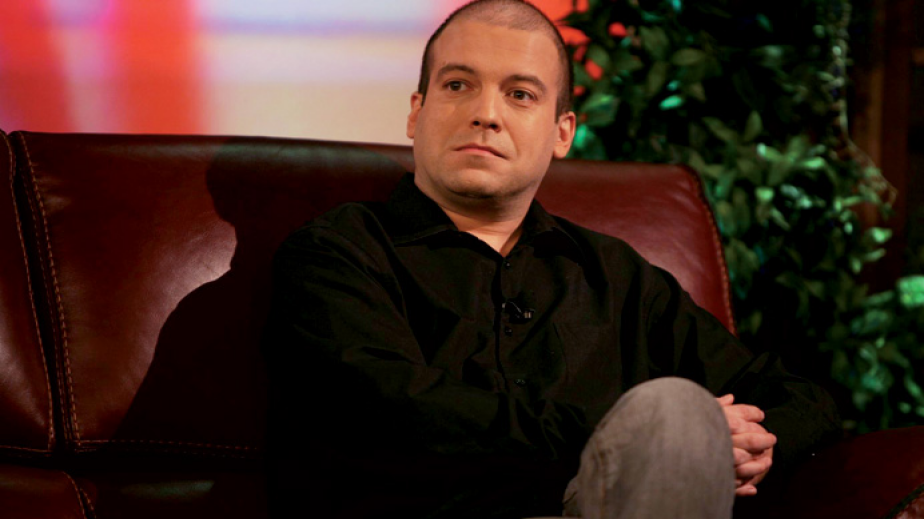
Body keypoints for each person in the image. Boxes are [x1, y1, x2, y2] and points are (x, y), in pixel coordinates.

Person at [263, 1, 841, 517]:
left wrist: (751, 448)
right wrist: (617, 433)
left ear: (562, 132)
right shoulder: (338, 251)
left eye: (520, 94)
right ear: (417, 112)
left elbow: (797, 398)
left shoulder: (615, 276)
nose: (485, 114)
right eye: (458, 85)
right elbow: (391, 413)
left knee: (679, 418)